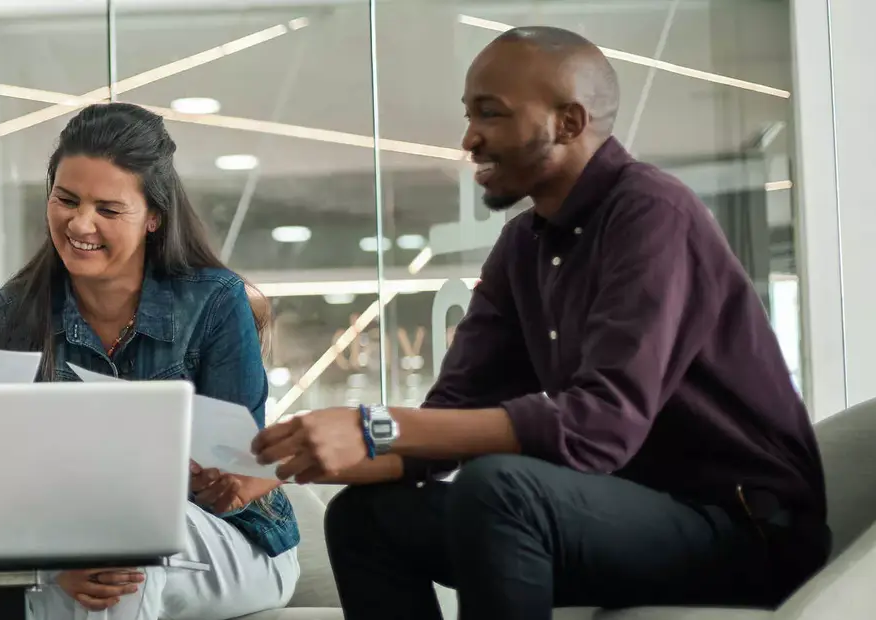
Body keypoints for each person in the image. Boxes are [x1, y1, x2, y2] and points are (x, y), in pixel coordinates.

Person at [250, 27, 830, 619]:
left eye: (491, 114)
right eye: (469, 115)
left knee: (502, 489)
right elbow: (450, 415)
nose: (469, 138)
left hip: (743, 530)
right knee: (364, 516)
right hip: (621, 511)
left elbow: (598, 426)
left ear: (569, 122)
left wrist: (377, 426)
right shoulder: (523, 246)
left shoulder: (652, 213)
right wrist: (287, 463)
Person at [0, 103, 300, 620]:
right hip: (60, 532)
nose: (80, 223)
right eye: (66, 199)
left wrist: (224, 477)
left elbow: (239, 466)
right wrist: (55, 556)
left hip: (227, 541)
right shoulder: (14, 311)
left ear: (153, 216)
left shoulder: (214, 300)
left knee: (119, 544)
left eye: (108, 209)